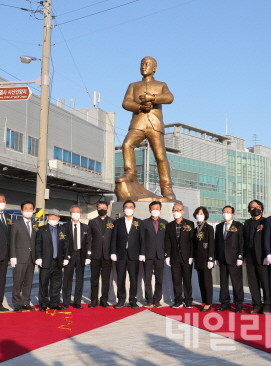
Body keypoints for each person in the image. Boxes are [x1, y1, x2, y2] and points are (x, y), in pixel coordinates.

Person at [117, 56, 176, 201]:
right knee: (127, 144)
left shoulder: (161, 85)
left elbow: (169, 98)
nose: (144, 66)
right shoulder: (133, 85)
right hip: (138, 122)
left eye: (147, 64)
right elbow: (126, 103)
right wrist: (139, 107)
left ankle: (167, 189)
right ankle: (130, 174)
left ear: (154, 68)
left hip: (154, 124)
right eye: (142, 64)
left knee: (160, 156)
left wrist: (152, 98)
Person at [35, 209, 69, 311]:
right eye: (51, 216)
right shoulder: (42, 229)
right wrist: (38, 257)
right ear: (47, 217)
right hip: (45, 261)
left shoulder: (62, 230)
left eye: (56, 217)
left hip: (57, 261)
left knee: (56, 284)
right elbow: (38, 245)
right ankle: (43, 303)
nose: (53, 218)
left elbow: (66, 245)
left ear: (59, 218)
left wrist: (66, 258)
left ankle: (54, 302)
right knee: (44, 283)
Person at [110, 200, 142, 309]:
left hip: (134, 255)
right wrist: (113, 252)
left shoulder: (139, 222)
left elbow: (142, 239)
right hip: (121, 254)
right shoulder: (117, 222)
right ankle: (121, 299)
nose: (129, 208)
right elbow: (113, 238)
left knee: (133, 279)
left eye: (131, 207)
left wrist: (142, 253)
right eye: (127, 207)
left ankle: (133, 300)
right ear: (123, 209)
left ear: (134, 209)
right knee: (120, 278)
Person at [214, 205, 245, 312]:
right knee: (223, 283)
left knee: (236, 283)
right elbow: (216, 243)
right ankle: (224, 303)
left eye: (228, 211)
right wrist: (216, 257)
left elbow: (241, 242)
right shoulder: (218, 226)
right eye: (224, 211)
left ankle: (239, 304)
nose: (225, 213)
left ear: (233, 214)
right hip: (222, 259)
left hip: (234, 258)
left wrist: (240, 257)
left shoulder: (239, 226)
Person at [164, 202, 194, 309]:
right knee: (176, 280)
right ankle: (178, 300)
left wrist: (191, 255)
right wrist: (167, 255)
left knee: (187, 280)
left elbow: (192, 241)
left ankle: (188, 300)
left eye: (178, 210)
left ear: (183, 211)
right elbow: (167, 241)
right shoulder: (169, 225)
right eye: (174, 210)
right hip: (174, 257)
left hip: (186, 257)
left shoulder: (189, 224)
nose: (176, 212)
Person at [243, 200, 271, 314]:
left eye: (258, 206)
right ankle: (256, 304)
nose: (255, 209)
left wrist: (268, 255)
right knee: (252, 282)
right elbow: (244, 239)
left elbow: (268, 239)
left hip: (262, 256)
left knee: (265, 281)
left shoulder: (266, 221)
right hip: (249, 256)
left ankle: (267, 305)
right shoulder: (247, 223)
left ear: (261, 208)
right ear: (249, 210)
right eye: (252, 207)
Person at [9, 201, 37, 312]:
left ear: (33, 210)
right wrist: (12, 256)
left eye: (31, 208)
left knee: (28, 282)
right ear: (21, 211)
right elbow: (12, 241)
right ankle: (17, 303)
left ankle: (26, 302)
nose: (28, 211)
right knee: (18, 282)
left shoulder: (34, 224)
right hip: (19, 257)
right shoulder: (16, 224)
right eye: (26, 208)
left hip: (31, 258)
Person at [62, 205, 92, 309]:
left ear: (80, 214)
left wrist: (88, 256)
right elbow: (63, 242)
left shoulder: (86, 227)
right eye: (73, 212)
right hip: (69, 255)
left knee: (80, 279)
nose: (76, 214)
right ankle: (66, 301)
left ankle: (77, 301)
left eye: (78, 212)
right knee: (67, 279)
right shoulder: (65, 226)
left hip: (81, 255)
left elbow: (89, 242)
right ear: (70, 214)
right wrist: (64, 257)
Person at [140, 201, 168, 308]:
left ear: (160, 209)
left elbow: (166, 240)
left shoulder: (165, 223)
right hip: (147, 255)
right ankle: (149, 300)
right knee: (147, 278)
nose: (155, 210)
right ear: (149, 210)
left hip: (160, 255)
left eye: (157, 208)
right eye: (153, 208)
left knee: (159, 278)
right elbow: (141, 239)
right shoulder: (144, 223)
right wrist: (142, 253)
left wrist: (166, 254)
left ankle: (157, 299)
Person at [88, 201, 114, 308]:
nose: (102, 208)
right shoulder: (92, 222)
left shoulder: (113, 222)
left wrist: (113, 252)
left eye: (104, 207)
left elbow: (114, 238)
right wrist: (89, 253)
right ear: (97, 209)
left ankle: (104, 299)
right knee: (94, 279)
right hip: (95, 255)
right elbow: (89, 238)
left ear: (107, 208)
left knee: (106, 280)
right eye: (100, 207)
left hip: (107, 255)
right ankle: (94, 300)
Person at [192, 207, 215, 312]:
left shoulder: (209, 228)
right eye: (197, 213)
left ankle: (209, 302)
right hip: (198, 259)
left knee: (207, 282)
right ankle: (204, 300)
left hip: (206, 259)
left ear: (205, 215)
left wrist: (211, 258)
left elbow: (211, 244)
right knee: (201, 281)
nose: (199, 215)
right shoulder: (195, 229)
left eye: (201, 213)